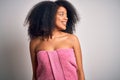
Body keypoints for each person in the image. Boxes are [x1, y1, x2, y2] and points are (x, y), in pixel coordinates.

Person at [25, 0, 85, 80]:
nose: (66, 18)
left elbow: (80, 71)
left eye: (66, 15)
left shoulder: (72, 39)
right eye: (61, 14)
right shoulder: (35, 43)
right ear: (49, 16)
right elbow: (35, 75)